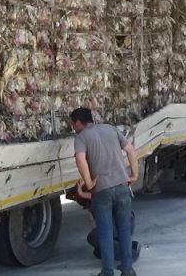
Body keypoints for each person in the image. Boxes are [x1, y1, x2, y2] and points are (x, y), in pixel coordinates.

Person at [72, 107, 138, 276]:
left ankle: (108, 272)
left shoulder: (81, 137)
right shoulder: (110, 129)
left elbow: (80, 160)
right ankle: (128, 269)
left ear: (79, 122)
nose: (72, 127)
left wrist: (88, 183)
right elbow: (130, 150)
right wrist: (134, 174)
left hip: (102, 190)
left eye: (73, 123)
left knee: (106, 233)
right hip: (123, 187)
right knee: (124, 231)